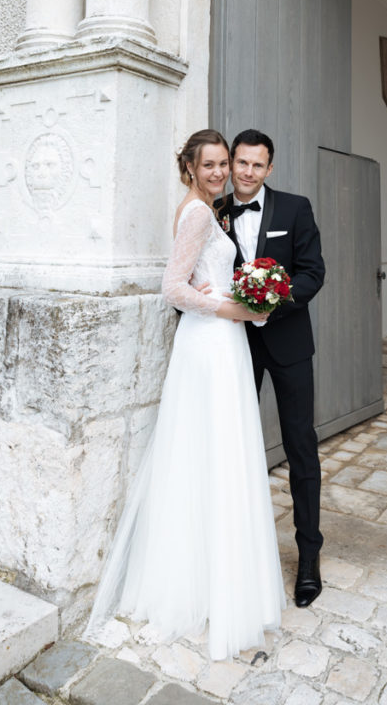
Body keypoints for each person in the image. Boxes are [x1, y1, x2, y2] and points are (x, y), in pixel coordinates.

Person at [84, 129, 285, 660]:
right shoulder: (198, 213)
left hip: (222, 342)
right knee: (211, 455)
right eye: (211, 165)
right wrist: (237, 310)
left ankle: (211, 579)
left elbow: (200, 278)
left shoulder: (208, 211)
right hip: (210, 343)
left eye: (225, 164)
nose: (221, 172)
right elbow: (173, 286)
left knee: (212, 457)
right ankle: (202, 587)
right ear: (191, 168)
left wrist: (245, 304)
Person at [218, 129, 326, 607]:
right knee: (233, 446)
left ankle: (308, 558)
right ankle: (234, 555)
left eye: (257, 166)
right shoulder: (215, 211)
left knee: (301, 449)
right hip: (233, 345)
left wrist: (270, 301)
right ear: (231, 162)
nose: (246, 173)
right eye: (241, 163)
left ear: (270, 168)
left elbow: (312, 272)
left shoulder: (295, 208)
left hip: (288, 344)